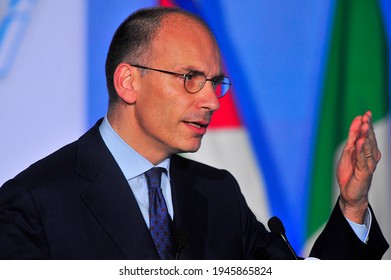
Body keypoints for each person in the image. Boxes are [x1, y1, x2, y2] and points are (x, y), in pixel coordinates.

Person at [0, 6, 388, 260]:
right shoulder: (34, 201)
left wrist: (352, 205)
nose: (212, 102)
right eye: (190, 78)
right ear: (128, 82)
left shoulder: (218, 193)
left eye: (215, 82)